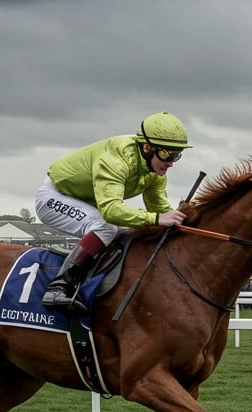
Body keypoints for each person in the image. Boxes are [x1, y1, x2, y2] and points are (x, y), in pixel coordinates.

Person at [34, 111, 190, 310]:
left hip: (89, 201)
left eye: (177, 155)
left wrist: (181, 219)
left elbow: (160, 211)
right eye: (166, 154)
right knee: (106, 227)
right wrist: (157, 218)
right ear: (147, 147)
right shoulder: (116, 160)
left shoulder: (156, 173)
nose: (171, 162)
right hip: (55, 196)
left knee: (126, 230)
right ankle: (58, 287)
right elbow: (111, 210)